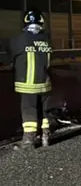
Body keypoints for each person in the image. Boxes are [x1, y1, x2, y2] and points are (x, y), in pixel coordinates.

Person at [9, 9, 53, 148]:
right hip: (45, 83)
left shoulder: (19, 39)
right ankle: (46, 136)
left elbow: (10, 57)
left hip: (27, 84)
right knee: (44, 110)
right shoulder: (46, 39)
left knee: (29, 109)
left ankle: (29, 140)